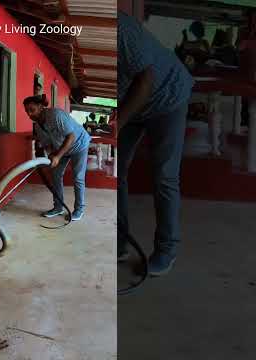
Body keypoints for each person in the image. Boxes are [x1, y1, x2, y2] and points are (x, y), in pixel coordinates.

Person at [117, 11, 194, 276]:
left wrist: (117, 124)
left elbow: (146, 80)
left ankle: (166, 250)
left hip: (167, 96)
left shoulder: (119, 26)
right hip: (135, 104)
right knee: (117, 170)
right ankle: (119, 242)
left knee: (164, 176)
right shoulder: (79, 39)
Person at [24, 94, 91, 221]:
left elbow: (71, 137)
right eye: (27, 111)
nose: (29, 114)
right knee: (55, 175)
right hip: (62, 148)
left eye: (32, 110)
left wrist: (58, 156)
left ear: (40, 107)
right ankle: (58, 207)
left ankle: (79, 210)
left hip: (79, 144)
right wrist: (51, 155)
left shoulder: (55, 115)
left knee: (78, 178)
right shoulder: (38, 126)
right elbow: (47, 144)